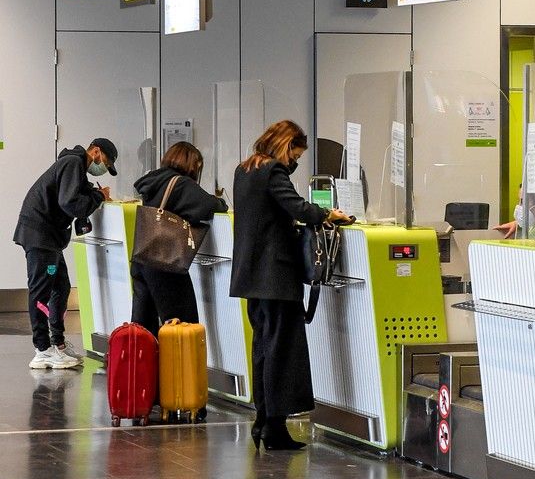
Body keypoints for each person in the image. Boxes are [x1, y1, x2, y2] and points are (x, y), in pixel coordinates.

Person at [229, 119, 351, 451]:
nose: (296, 160)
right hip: (275, 276)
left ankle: (264, 420)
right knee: (282, 350)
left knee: (263, 348)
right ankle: (274, 427)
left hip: (251, 277)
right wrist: (328, 214)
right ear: (287, 145)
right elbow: (296, 207)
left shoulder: (245, 170)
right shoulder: (272, 171)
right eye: (296, 152)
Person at [14, 137, 117, 370]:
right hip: (40, 236)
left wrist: (93, 194)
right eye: (105, 163)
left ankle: (57, 344)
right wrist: (99, 197)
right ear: (96, 152)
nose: (103, 168)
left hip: (48, 237)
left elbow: (76, 195)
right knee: (41, 291)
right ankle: (42, 350)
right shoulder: (73, 163)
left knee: (61, 287)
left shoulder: (76, 167)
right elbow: (71, 203)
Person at [131, 141, 227, 338]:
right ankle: (178, 369)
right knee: (182, 325)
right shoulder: (180, 183)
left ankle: (142, 366)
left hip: (143, 259)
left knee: (143, 325)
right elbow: (209, 206)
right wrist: (221, 202)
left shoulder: (154, 180)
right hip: (165, 261)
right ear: (192, 164)